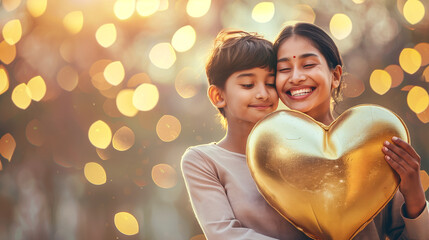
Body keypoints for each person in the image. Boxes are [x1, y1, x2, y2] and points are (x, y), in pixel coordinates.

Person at [273, 22, 429, 239]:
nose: (296, 77)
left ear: (335, 76)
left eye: (308, 65)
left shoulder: (374, 145)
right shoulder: (270, 156)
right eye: (284, 69)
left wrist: (414, 194)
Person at [181, 30, 311, 239]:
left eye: (270, 83)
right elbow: (223, 233)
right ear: (218, 96)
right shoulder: (203, 161)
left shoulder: (298, 151)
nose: (263, 93)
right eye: (248, 85)